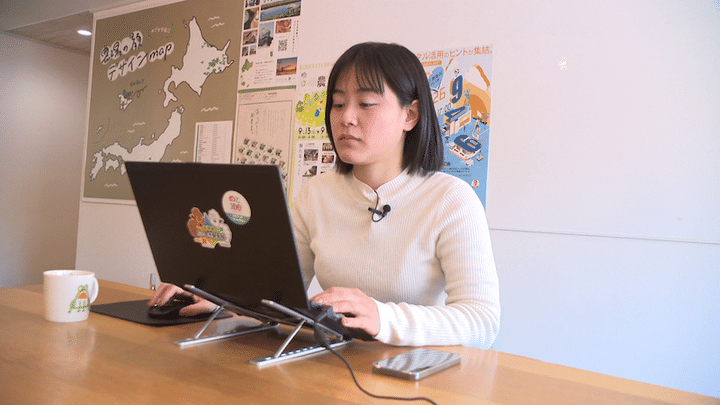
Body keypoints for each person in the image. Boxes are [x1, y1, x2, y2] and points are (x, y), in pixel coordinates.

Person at [149, 42, 500, 348]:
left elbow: (482, 320)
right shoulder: (317, 193)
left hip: (410, 371)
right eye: (338, 103)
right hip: (333, 361)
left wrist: (383, 317)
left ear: (410, 115)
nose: (346, 118)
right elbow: (276, 293)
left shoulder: (450, 199)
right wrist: (216, 295)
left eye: (366, 103)